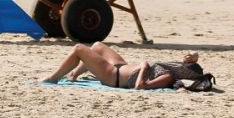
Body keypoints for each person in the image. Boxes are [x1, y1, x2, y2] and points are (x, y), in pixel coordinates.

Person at [40, 41, 205, 90]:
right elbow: (189, 57)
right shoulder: (173, 67)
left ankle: (53, 78)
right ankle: (73, 74)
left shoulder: (168, 77)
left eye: (184, 66)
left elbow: (140, 87)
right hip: (121, 66)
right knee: (97, 46)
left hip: (114, 76)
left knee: (79, 49)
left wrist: (143, 68)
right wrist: (194, 56)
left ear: (184, 72)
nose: (181, 64)